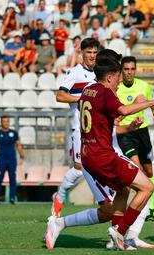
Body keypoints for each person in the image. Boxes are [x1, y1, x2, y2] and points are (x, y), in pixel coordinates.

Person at [45, 50, 154, 251]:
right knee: (147, 187)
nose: (119, 82)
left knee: (123, 189)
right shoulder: (104, 92)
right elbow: (123, 110)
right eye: (118, 77)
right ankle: (120, 232)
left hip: (92, 153)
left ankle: (116, 240)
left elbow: (103, 120)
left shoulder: (88, 91)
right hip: (102, 156)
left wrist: (126, 126)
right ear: (110, 76)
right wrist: (151, 103)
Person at [52, 38, 100, 217]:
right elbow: (60, 96)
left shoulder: (99, 74)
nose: (92, 56)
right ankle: (60, 196)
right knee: (79, 168)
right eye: (89, 52)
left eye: (95, 53)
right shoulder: (75, 73)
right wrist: (80, 99)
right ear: (82, 53)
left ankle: (107, 202)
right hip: (80, 128)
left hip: (97, 129)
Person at [116, 56, 154, 221]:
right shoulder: (116, 87)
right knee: (138, 170)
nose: (129, 72)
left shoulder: (144, 86)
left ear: (135, 70)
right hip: (125, 133)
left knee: (149, 171)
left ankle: (151, 208)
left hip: (142, 132)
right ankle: (138, 212)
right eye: (126, 69)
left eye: (132, 69)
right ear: (121, 70)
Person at [0, 116, 25, 205]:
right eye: (4, 121)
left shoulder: (14, 133)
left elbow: (18, 145)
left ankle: (12, 199)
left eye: (7, 121)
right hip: (2, 160)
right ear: (1, 123)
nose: (6, 123)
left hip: (12, 160)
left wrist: (22, 156)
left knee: (13, 179)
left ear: (9, 122)